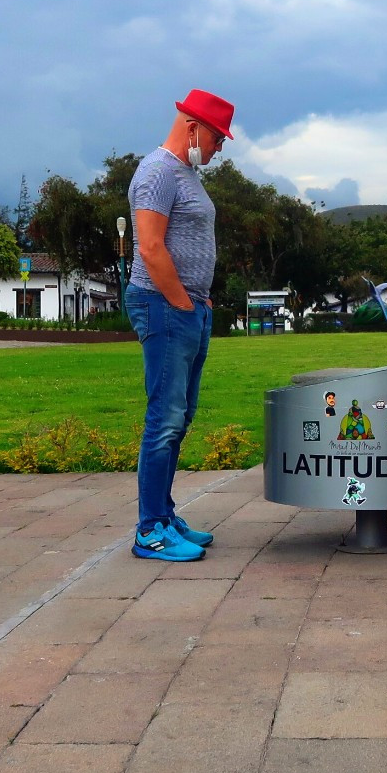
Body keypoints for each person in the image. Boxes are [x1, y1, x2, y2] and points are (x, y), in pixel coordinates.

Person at [124, 89, 235, 562]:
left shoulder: (183, 173)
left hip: (188, 306)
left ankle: (165, 516)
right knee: (164, 419)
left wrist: (198, 301)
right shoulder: (157, 172)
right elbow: (150, 247)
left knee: (179, 417)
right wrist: (181, 304)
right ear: (193, 128)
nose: (218, 148)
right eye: (216, 138)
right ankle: (150, 530)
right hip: (165, 306)